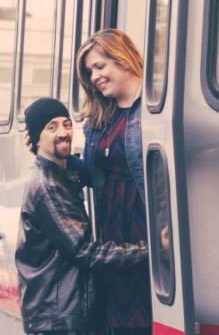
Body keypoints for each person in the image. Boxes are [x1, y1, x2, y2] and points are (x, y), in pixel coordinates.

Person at [15, 97, 148, 335]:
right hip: (59, 320)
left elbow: (81, 170)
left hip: (62, 315)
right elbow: (86, 251)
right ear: (36, 137)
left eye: (66, 124)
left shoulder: (60, 171)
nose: (63, 132)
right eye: (51, 127)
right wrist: (151, 251)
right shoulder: (48, 186)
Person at [75, 29, 151, 335]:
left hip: (144, 230)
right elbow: (92, 175)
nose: (94, 77)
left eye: (99, 66)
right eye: (90, 71)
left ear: (122, 59)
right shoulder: (100, 117)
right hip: (112, 235)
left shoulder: (152, 108)